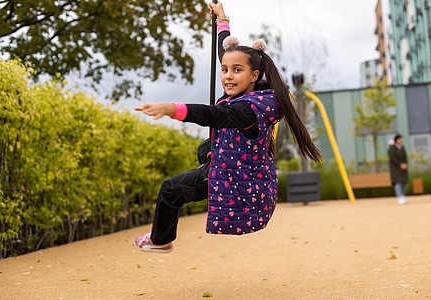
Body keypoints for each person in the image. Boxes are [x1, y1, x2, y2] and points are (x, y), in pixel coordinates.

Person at [133, 1, 322, 253]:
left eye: (237, 70)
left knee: (169, 189)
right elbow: (225, 49)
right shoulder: (247, 96)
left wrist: (172, 109)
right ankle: (161, 237)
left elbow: (211, 114)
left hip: (234, 179)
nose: (228, 76)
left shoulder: (247, 109)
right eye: (224, 70)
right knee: (203, 150)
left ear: (254, 75)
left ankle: (159, 240)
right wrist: (222, 19)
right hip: (230, 166)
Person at [388, 134, 408, 205]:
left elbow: (405, 156)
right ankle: (399, 197)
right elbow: (392, 158)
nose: (401, 141)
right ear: (396, 140)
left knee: (405, 181)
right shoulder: (392, 148)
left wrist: (405, 163)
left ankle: (402, 195)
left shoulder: (402, 147)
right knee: (398, 182)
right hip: (395, 168)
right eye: (400, 139)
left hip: (403, 168)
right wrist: (400, 164)